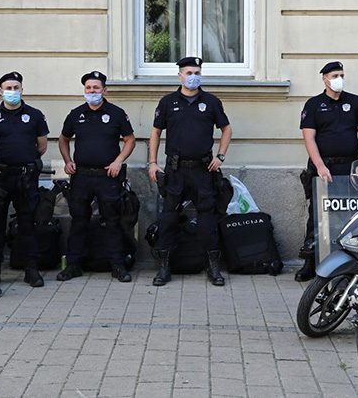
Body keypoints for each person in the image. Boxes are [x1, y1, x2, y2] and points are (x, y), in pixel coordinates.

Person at [148, 57, 232, 287]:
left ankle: (212, 267)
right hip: (175, 171)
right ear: (180, 76)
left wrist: (220, 156)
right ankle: (164, 267)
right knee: (168, 219)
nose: (193, 76)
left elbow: (226, 129)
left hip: (203, 171)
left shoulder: (211, 102)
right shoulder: (167, 102)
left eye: (197, 72)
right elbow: (155, 132)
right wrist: (153, 163)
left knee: (208, 219)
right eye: (188, 73)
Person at [57, 71, 136, 283]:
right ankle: (73, 265)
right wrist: (67, 161)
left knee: (112, 221)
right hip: (81, 176)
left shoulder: (116, 113)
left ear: (104, 90)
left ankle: (117, 265)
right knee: (78, 221)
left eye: (96, 88)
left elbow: (130, 140)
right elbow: (63, 139)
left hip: (107, 176)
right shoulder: (76, 114)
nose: (92, 91)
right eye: (89, 88)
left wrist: (118, 161)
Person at [297, 61, 358, 282]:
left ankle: (351, 264)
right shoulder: (314, 104)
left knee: (349, 213)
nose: (339, 79)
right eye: (334, 75)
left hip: (350, 167)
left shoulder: (355, 102)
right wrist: (320, 166)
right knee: (317, 215)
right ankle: (311, 262)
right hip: (323, 167)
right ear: (325, 79)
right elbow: (309, 138)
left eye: (341, 75)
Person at [0, 72, 49, 288]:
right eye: (8, 88)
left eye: (16, 88)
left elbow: (41, 145)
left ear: (22, 89)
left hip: (25, 179)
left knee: (28, 224)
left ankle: (31, 270)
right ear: (0, 91)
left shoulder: (35, 115)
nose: (12, 92)